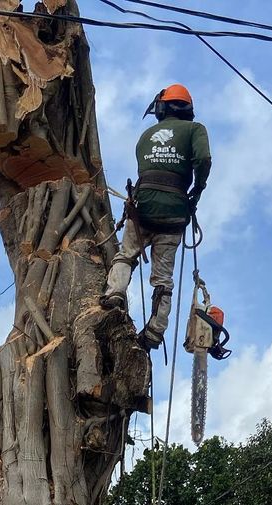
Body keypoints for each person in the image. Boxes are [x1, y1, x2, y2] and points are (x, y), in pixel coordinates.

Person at [100, 84, 211, 349]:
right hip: (174, 212)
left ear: (162, 108)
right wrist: (197, 188)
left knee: (126, 253)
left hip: (143, 208)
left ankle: (114, 293)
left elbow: (146, 169)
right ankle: (154, 331)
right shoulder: (196, 130)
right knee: (163, 278)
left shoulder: (147, 134)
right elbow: (203, 159)